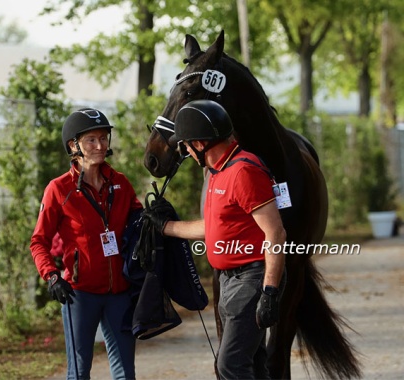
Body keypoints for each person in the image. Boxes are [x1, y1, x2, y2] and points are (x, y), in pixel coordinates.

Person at [143, 100, 287, 379]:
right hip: (230, 281)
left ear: (199, 143)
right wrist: (165, 227)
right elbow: (214, 228)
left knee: (229, 365)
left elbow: (276, 233)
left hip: (252, 279)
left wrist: (269, 291)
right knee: (253, 363)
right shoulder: (218, 172)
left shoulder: (243, 172)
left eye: (184, 145)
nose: (183, 151)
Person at [30, 108, 142, 380]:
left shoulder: (121, 183)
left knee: (126, 372)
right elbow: (39, 241)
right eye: (92, 139)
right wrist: (52, 275)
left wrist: (154, 216)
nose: (101, 145)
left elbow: (139, 222)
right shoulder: (58, 189)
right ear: (74, 145)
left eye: (104, 138)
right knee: (79, 372)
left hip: (119, 293)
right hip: (79, 295)